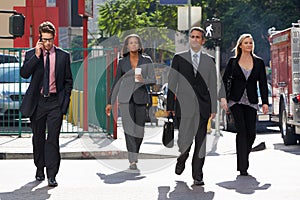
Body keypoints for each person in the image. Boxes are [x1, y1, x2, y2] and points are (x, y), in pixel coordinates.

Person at [166, 27, 223, 186]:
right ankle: (182, 158)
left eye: (198, 37)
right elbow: (172, 83)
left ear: (203, 41)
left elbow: (213, 84)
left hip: (203, 108)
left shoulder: (209, 60)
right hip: (183, 107)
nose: (195, 39)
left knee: (201, 142)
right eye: (192, 36)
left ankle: (198, 175)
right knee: (185, 141)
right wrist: (170, 106)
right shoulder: (179, 58)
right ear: (189, 39)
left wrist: (213, 108)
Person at [20, 21, 73, 187]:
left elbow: (68, 81)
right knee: (38, 138)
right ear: (40, 39)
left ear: (54, 38)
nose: (48, 43)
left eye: (50, 39)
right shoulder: (31, 54)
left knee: (52, 139)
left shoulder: (63, 56)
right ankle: (39, 168)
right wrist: (36, 56)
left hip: (55, 102)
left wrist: (64, 101)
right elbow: (24, 74)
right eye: (45, 40)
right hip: (38, 103)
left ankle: (52, 174)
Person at [105, 34, 156, 170]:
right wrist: (110, 102)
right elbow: (116, 82)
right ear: (127, 46)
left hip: (141, 99)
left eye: (135, 43)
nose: (133, 45)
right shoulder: (123, 62)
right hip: (125, 100)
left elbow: (153, 80)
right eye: (130, 43)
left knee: (139, 131)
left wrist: (143, 80)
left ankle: (135, 153)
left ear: (139, 45)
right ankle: (132, 159)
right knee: (129, 130)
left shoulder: (146, 60)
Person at [222, 33, 269, 176]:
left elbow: (262, 83)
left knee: (251, 133)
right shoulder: (233, 62)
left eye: (251, 43)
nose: (249, 45)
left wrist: (265, 102)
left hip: (252, 101)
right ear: (240, 45)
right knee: (241, 130)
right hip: (236, 100)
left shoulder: (259, 62)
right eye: (246, 43)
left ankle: (244, 155)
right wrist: (223, 99)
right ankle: (243, 166)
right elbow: (224, 81)